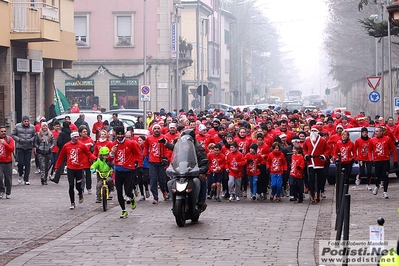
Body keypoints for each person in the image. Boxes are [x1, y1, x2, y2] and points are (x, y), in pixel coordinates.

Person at [166, 129, 209, 210]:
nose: (186, 146)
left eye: (188, 144)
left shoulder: (199, 149)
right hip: (181, 174)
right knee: (169, 183)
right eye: (184, 144)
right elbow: (174, 162)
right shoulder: (179, 151)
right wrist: (171, 169)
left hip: (193, 174)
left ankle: (198, 202)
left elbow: (204, 162)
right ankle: (174, 204)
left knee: (198, 181)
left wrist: (201, 170)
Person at [54, 131, 96, 209]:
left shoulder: (82, 145)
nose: (77, 138)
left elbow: (88, 154)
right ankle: (72, 202)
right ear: (71, 137)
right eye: (75, 137)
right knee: (71, 186)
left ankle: (80, 193)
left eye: (77, 137)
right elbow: (61, 156)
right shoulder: (66, 146)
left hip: (79, 168)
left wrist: (95, 159)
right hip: (70, 168)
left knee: (78, 186)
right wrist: (56, 167)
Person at [109, 126, 141, 218]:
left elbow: (138, 154)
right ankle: (123, 210)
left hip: (129, 170)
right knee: (119, 192)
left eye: (121, 134)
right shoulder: (113, 144)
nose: (119, 136)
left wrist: (137, 164)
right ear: (115, 134)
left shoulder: (131, 143)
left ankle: (131, 197)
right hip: (118, 171)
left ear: (124, 134)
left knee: (127, 191)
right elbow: (109, 158)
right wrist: (112, 153)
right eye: (118, 134)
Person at [303, 126, 330, 203]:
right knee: (311, 179)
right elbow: (304, 148)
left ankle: (318, 192)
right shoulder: (307, 140)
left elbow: (327, 149)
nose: (313, 132)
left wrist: (324, 155)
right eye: (312, 130)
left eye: (315, 130)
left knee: (319, 179)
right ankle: (312, 194)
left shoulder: (322, 140)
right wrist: (306, 155)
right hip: (311, 161)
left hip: (319, 161)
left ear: (318, 131)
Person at [143, 123, 169, 204]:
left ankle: (164, 191)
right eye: (155, 128)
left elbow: (168, 148)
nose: (156, 130)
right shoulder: (149, 138)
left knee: (162, 179)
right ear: (152, 130)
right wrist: (144, 156)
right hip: (152, 162)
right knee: (153, 179)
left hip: (161, 162)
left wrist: (166, 157)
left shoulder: (164, 138)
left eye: (158, 128)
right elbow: (146, 148)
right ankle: (155, 197)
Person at [370, 126, 398, 199]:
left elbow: (393, 149)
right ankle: (377, 185)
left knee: (385, 176)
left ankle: (385, 192)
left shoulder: (387, 139)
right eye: (375, 131)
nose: (376, 133)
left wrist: (395, 160)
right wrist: (371, 159)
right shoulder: (372, 140)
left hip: (385, 160)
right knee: (377, 176)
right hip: (377, 161)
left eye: (377, 131)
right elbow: (370, 150)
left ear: (381, 132)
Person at [11, 115, 36, 185]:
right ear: (22, 121)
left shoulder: (32, 127)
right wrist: (19, 140)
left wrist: (31, 140)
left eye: (27, 121)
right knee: (20, 163)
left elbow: (35, 135)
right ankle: (20, 174)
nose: (26, 123)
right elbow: (12, 135)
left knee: (27, 163)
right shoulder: (17, 126)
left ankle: (26, 179)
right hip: (20, 147)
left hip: (28, 147)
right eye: (25, 121)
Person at [0, 126, 15, 199]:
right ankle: (1, 190)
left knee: (8, 178)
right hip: (0, 162)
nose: (3, 133)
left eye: (4, 131)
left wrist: (5, 144)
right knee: (0, 177)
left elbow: (12, 149)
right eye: (2, 131)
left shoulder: (9, 139)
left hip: (7, 162)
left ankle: (8, 192)